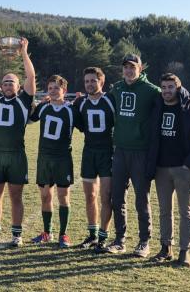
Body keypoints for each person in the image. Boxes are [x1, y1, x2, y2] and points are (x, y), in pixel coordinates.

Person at [147, 73, 190, 267]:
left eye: (170, 87)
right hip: (161, 169)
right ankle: (165, 248)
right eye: (164, 87)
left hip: (184, 169)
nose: (167, 91)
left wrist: (188, 166)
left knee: (186, 212)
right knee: (164, 211)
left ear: (178, 88)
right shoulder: (156, 107)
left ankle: (185, 252)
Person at [0, 37, 36, 247]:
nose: (6, 85)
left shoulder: (24, 100)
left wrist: (24, 52)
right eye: (4, 82)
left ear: (18, 86)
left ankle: (16, 234)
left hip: (16, 155)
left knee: (15, 196)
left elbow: (31, 75)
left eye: (11, 82)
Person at [106, 54, 160, 257]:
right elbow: (102, 105)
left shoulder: (151, 90)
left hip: (141, 152)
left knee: (141, 199)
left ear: (140, 68)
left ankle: (144, 241)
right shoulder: (117, 88)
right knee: (117, 197)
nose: (129, 70)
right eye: (126, 67)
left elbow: (173, 100)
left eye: (132, 67)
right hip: (120, 150)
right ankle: (120, 240)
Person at [29, 75, 78, 248]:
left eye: (56, 88)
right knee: (45, 196)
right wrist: (34, 103)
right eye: (50, 88)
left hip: (63, 158)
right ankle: (46, 232)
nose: (53, 91)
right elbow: (28, 119)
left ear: (64, 90)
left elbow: (85, 126)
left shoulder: (72, 110)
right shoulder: (44, 108)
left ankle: (63, 235)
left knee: (63, 196)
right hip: (44, 158)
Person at [74, 67, 115, 252]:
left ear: (101, 81)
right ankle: (92, 234)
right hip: (89, 153)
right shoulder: (80, 103)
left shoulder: (111, 100)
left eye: (93, 80)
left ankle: (103, 237)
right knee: (90, 196)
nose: (90, 84)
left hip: (108, 154)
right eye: (87, 81)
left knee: (106, 197)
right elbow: (77, 123)